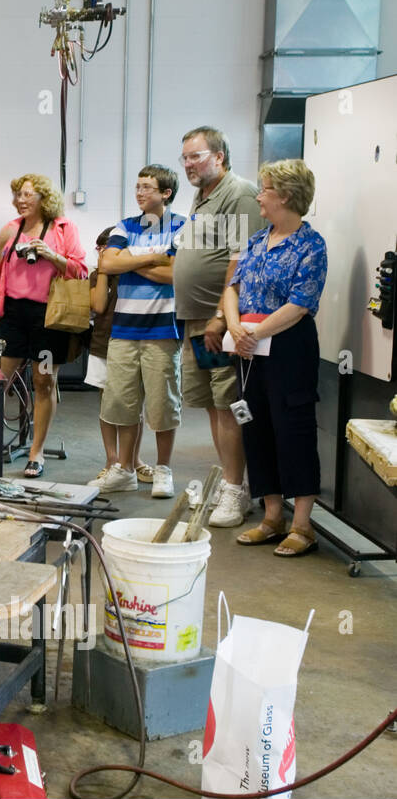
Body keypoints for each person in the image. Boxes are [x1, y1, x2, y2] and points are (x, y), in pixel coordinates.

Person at [223, 159, 327, 557]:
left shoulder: (310, 245)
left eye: (264, 189)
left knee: (293, 430)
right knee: (255, 426)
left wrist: (254, 332)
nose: (258, 196)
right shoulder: (255, 240)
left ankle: (302, 525)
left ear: (285, 196)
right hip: (247, 348)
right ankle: (271, 517)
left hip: (287, 346)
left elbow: (301, 304)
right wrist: (235, 328)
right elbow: (232, 286)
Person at [172, 126, 267, 524]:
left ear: (220, 157)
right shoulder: (203, 195)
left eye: (196, 156)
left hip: (220, 322)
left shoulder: (237, 193)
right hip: (197, 322)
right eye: (186, 158)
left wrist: (218, 318)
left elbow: (242, 259)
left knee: (229, 405)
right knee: (213, 406)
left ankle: (235, 491)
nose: (189, 165)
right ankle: (234, 485)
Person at [90, 166, 186, 498]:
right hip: (124, 331)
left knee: (162, 406)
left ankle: (163, 470)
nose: (140, 193)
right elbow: (108, 264)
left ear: (166, 193)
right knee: (122, 403)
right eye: (138, 187)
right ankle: (126, 470)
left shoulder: (183, 226)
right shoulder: (124, 225)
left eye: (147, 187)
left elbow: (176, 274)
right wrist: (154, 259)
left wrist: (132, 260)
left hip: (163, 330)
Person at [0, 174, 88, 478]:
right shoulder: (11, 229)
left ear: (44, 198)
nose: (21, 200)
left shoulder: (63, 228)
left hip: (48, 317)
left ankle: (36, 452)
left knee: (44, 383)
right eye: (17, 194)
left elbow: (80, 269)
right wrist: (1, 247)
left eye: (27, 194)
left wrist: (50, 254)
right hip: (14, 316)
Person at [88, 226, 147, 485]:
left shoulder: (135, 274)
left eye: (108, 249)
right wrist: (104, 270)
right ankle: (112, 460)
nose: (103, 253)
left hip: (134, 342)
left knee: (135, 405)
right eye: (100, 249)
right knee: (108, 405)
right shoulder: (97, 276)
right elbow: (99, 306)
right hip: (103, 344)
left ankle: (133, 460)